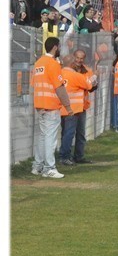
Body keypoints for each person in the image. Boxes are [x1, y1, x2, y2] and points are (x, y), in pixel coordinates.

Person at [31, 37, 73, 178]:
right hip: (51, 105)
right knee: (50, 138)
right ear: (55, 47)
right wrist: (68, 107)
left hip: (40, 104)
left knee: (43, 136)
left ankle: (37, 166)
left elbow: (34, 84)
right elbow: (59, 87)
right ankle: (49, 168)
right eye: (59, 46)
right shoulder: (53, 64)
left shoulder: (38, 63)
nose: (60, 49)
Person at [58, 55, 96, 166]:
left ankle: (66, 155)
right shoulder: (76, 75)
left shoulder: (59, 74)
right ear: (72, 64)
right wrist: (94, 78)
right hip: (73, 110)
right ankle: (65, 157)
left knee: (65, 133)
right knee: (70, 133)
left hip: (61, 108)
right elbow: (90, 85)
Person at [72, 49, 98, 163]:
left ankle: (79, 156)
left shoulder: (87, 71)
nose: (79, 60)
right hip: (69, 107)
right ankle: (65, 156)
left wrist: (93, 83)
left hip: (82, 106)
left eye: (81, 58)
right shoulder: (68, 70)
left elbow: (93, 87)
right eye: (77, 57)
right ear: (74, 57)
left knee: (81, 133)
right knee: (68, 133)